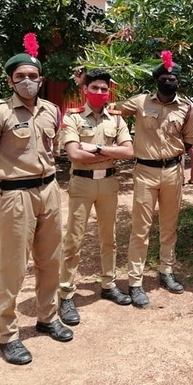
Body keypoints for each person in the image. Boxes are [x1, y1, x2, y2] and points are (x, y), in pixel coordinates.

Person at [0, 34, 72, 365]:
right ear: (11, 81)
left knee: (50, 259)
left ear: (41, 79)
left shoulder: (51, 111)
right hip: (15, 194)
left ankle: (47, 317)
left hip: (49, 190)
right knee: (13, 267)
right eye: (20, 76)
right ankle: (8, 334)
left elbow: (51, 150)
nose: (27, 81)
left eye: (32, 76)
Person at [111, 51, 193, 307]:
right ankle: (135, 282)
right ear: (157, 80)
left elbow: (189, 139)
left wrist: (179, 160)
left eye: (173, 79)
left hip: (173, 172)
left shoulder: (186, 108)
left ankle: (166, 271)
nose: (169, 82)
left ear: (178, 81)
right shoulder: (140, 102)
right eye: (164, 78)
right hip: (145, 172)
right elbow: (112, 109)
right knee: (141, 228)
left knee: (169, 225)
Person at [58, 68, 134, 326]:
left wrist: (96, 148)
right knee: (74, 240)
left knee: (109, 238)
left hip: (109, 183)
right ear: (85, 90)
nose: (100, 92)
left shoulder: (116, 119)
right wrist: (110, 152)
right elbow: (74, 154)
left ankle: (108, 284)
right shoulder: (73, 117)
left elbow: (129, 151)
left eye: (104, 89)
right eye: (95, 88)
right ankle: (66, 293)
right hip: (82, 183)